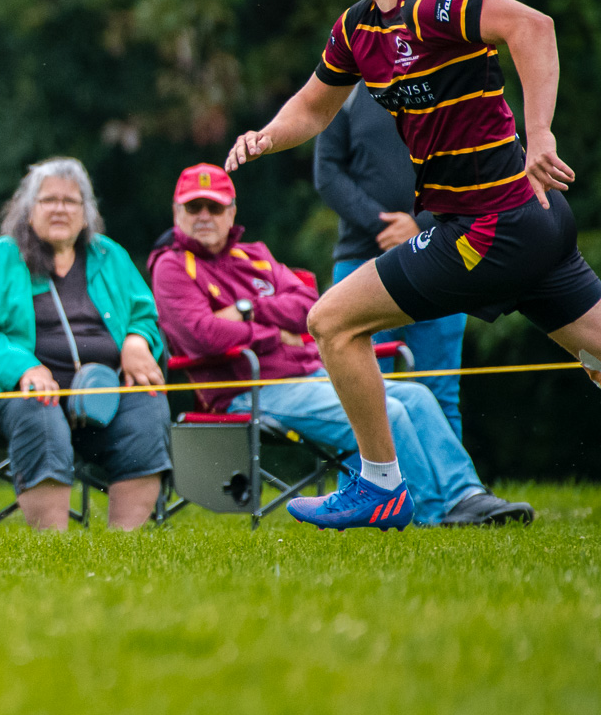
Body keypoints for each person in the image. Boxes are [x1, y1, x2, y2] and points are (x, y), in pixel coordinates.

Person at [225, 0, 601, 530]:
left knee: (332, 323)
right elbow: (313, 108)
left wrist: (540, 135)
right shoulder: (357, 29)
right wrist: (265, 136)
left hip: (491, 226)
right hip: (526, 223)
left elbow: (532, 27)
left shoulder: (431, 2)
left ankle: (379, 486)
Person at [149, 164, 531, 526]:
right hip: (250, 388)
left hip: (309, 374)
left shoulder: (256, 256)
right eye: (193, 207)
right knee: (391, 410)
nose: (204, 216)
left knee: (417, 398)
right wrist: (272, 334)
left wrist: (246, 310)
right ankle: (433, 514)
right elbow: (201, 334)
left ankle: (467, 495)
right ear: (176, 213)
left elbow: (308, 306)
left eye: (213, 207)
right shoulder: (172, 266)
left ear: (231, 213)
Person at [0, 158, 170, 531]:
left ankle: (125, 544)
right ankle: (52, 543)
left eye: (70, 201)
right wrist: (22, 366)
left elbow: (145, 315)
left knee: (147, 404)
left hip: (103, 397)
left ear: (86, 213)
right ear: (28, 211)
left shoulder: (110, 257)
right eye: (48, 200)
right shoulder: (0, 257)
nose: (60, 208)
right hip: (17, 397)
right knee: (40, 411)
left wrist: (137, 343)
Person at [315, 82, 467, 437]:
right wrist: (382, 224)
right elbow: (327, 172)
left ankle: (454, 493)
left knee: (439, 393)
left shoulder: (455, 76)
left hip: (443, 255)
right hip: (362, 260)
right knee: (359, 396)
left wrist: (420, 225)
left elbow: (477, 168)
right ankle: (366, 492)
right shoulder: (345, 83)